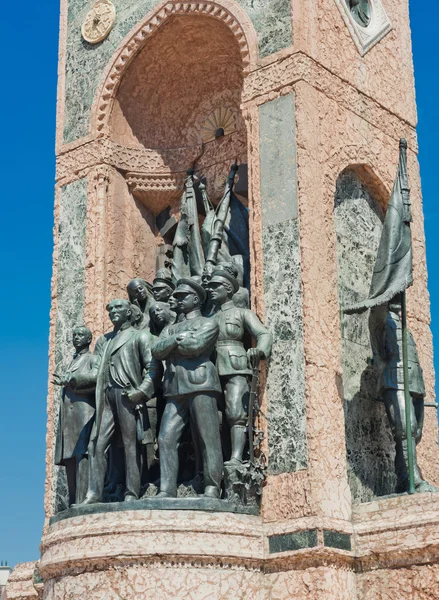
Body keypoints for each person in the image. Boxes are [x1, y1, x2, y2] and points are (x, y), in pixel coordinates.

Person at [79, 299, 160, 504]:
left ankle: (132, 492)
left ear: (130, 312)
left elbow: (153, 368)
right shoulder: (104, 341)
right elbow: (95, 372)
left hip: (127, 396)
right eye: (110, 308)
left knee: (130, 444)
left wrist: (141, 392)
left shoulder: (141, 336)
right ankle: (94, 493)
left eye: (118, 308)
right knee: (96, 445)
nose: (113, 311)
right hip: (105, 397)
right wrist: (75, 379)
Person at [152, 279, 223, 498]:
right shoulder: (170, 328)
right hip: (175, 388)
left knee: (207, 437)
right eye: (176, 296)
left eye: (182, 296)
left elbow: (196, 346)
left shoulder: (208, 323)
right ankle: (167, 489)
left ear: (196, 299)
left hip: (200, 383)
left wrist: (173, 344)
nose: (177, 300)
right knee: (165, 438)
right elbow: (156, 350)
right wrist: (177, 339)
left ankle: (212, 486)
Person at [369, 296, 437, 493]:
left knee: (414, 433)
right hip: (394, 380)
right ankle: (413, 481)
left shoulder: (403, 324)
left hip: (414, 383)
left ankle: (402, 478)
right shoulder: (382, 320)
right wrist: (389, 285)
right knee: (406, 428)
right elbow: (376, 309)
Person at [206, 268, 272, 464]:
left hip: (236, 366)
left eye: (215, 286)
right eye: (209, 287)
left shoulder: (243, 313)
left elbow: (263, 334)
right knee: (215, 418)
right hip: (211, 370)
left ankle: (236, 458)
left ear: (227, 288)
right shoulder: (209, 319)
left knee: (236, 413)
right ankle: (219, 461)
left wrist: (260, 351)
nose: (211, 290)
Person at [54, 326, 97, 506]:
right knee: (70, 457)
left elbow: (96, 379)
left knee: (83, 455)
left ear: (89, 339)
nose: (76, 338)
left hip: (84, 412)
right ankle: (72, 501)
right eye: (74, 335)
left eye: (81, 335)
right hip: (69, 417)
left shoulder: (93, 358)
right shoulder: (72, 361)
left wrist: (71, 380)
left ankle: (81, 499)